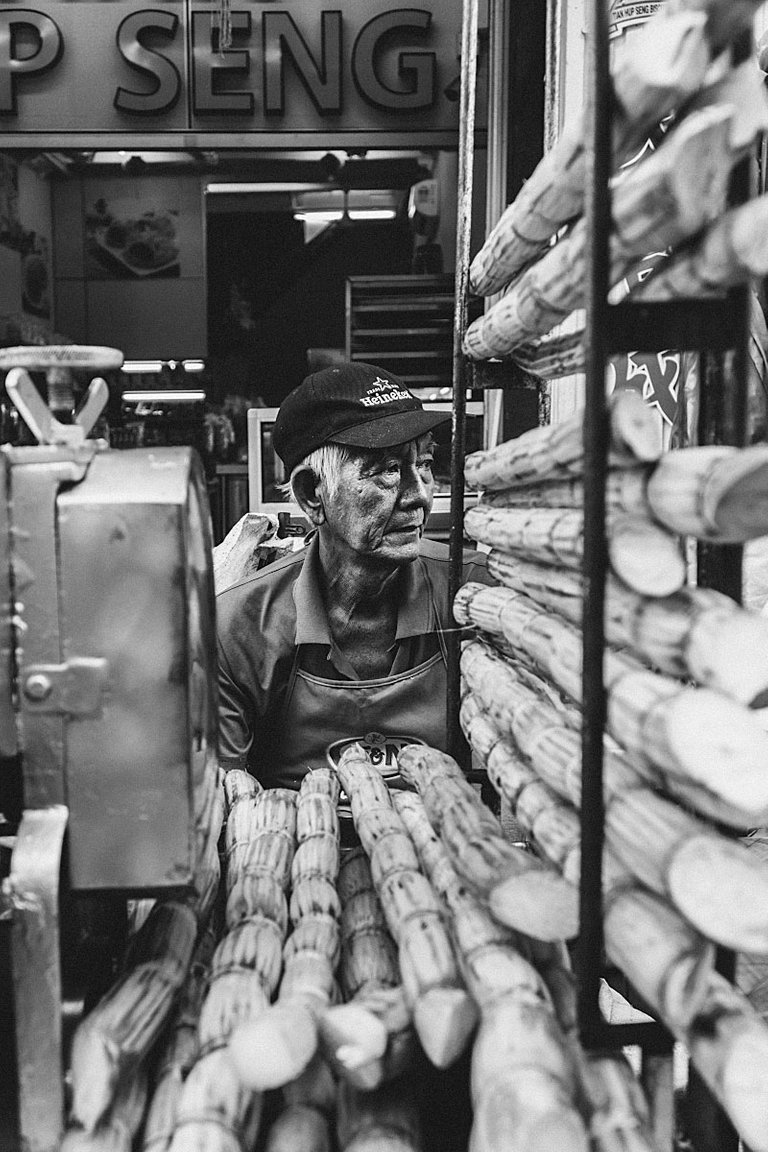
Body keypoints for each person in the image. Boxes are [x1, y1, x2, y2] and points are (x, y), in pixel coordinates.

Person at [216, 360, 490, 787]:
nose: (419, 496)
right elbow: (221, 802)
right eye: (387, 470)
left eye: (425, 465)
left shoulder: (470, 595)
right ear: (312, 495)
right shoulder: (240, 626)